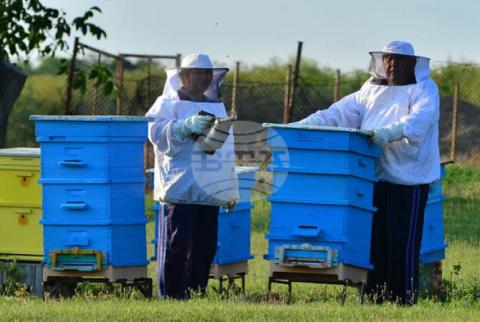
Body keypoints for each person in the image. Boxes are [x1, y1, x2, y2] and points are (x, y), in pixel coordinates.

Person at [296, 40, 440, 305]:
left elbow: (420, 120)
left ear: (413, 64)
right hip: (373, 179)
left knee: (401, 244)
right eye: (388, 59)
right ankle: (372, 296)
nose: (393, 64)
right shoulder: (369, 90)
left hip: (408, 181)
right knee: (372, 244)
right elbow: (337, 113)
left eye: (399, 60)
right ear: (381, 62)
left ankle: (402, 299)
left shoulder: (424, 89)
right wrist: (303, 125)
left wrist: (390, 132)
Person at [146, 53, 239, 299]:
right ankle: (172, 295)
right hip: (179, 187)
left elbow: (224, 151)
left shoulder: (216, 106)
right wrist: (184, 126)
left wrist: (229, 188)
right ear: (183, 76)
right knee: (176, 246)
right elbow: (155, 133)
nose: (204, 77)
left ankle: (195, 291)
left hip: (208, 189)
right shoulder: (166, 103)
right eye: (198, 72)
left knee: (204, 248)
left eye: (207, 73)